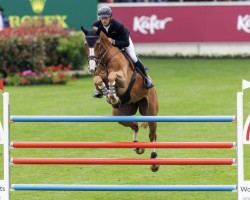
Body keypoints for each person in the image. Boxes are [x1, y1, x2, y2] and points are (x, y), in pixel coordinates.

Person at [91, 6, 154, 98]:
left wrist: (113, 41)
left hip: (123, 41)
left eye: (106, 18)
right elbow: (93, 27)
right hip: (110, 44)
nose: (104, 20)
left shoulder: (118, 25)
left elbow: (125, 42)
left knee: (133, 57)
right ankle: (99, 88)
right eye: (102, 18)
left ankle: (146, 78)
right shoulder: (98, 24)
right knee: (100, 58)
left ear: (110, 17)